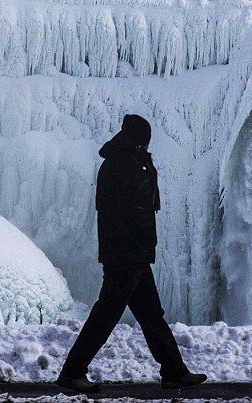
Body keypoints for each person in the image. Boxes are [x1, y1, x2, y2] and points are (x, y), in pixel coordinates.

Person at [56, 114, 208, 393]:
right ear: (138, 139)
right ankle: (72, 372)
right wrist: (137, 247)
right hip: (126, 255)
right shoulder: (124, 165)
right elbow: (132, 211)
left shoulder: (125, 162)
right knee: (107, 314)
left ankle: (174, 371)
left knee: (150, 314)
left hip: (131, 253)